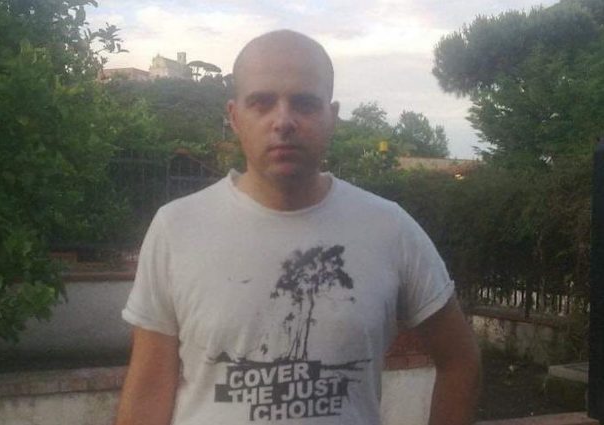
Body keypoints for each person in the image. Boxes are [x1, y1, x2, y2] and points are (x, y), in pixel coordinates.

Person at [114, 30, 480, 425]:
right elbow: (149, 387)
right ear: (234, 117)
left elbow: (460, 359)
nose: (283, 121)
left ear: (331, 117)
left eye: (304, 103)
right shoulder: (177, 228)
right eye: (262, 103)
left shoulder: (389, 228)